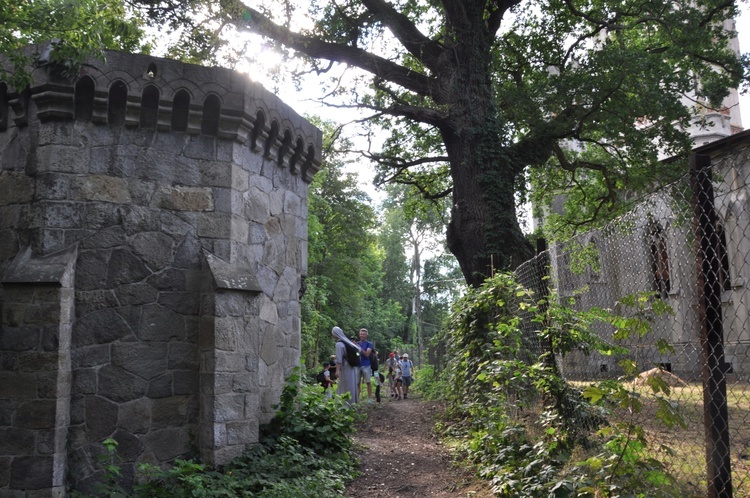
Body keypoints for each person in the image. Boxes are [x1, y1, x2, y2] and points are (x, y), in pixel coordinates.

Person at [332, 326, 361, 404]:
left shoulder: (339, 344)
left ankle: (345, 403)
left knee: (345, 385)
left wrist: (337, 370)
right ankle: (353, 401)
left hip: (345, 368)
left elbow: (339, 360)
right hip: (351, 367)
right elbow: (359, 350)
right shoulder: (347, 342)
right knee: (352, 384)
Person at [357, 328, 374, 402]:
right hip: (358, 365)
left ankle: (370, 398)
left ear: (366, 335)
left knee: (368, 382)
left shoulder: (369, 344)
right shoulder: (357, 343)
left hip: (366, 365)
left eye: (363, 334)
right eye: (361, 334)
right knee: (357, 382)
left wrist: (359, 348)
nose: (362, 335)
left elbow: (367, 354)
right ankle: (357, 399)